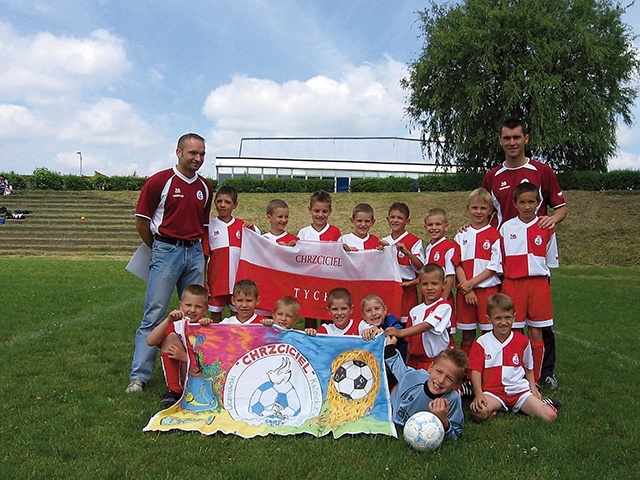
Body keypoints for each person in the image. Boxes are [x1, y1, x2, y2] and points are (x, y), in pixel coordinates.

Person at [482, 117, 567, 390]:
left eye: (517, 137)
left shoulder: (542, 170)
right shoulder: (493, 176)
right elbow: (483, 209)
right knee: (507, 316)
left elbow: (561, 207)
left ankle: (546, 372)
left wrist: (552, 221)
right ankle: (508, 368)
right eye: (507, 138)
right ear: (500, 140)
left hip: (534, 253)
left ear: (526, 139)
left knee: (541, 321)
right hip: (505, 252)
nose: (512, 142)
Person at [127, 133, 213, 394]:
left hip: (195, 252)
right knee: (154, 314)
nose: (198, 159)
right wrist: (159, 249)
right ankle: (139, 377)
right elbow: (142, 221)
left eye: (202, 154)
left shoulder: (205, 188)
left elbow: (204, 226)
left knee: (196, 314)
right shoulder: (159, 182)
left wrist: (202, 258)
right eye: (192, 153)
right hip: (166, 249)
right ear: (178, 153)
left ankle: (196, 370)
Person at [500, 182, 559, 385]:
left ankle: (538, 376)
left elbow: (550, 261)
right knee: (513, 330)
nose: (527, 206)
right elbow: (500, 259)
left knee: (536, 330)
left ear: (538, 202)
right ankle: (515, 374)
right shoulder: (506, 227)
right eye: (522, 202)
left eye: (531, 202)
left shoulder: (546, 227)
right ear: (515, 204)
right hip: (513, 284)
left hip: (538, 285)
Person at [469, 293, 559, 422]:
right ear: (489, 319)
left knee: (550, 416)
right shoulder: (482, 342)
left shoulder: (523, 341)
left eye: (507, 318)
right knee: (478, 413)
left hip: (519, 392)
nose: (503, 322)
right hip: (493, 393)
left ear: (514, 318)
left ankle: (545, 403)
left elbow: (529, 369)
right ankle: (496, 408)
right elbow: (476, 371)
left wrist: (533, 388)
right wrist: (478, 394)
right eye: (498, 318)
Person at [385, 335, 468, 441]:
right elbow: (397, 366)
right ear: (430, 367)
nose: (441, 380)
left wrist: (443, 420)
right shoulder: (415, 377)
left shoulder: (452, 400)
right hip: (393, 402)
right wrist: (390, 345)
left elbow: (455, 435)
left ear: (455, 385)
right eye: (439, 372)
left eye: (449, 379)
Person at [453, 188, 503, 359]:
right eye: (474, 208)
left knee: (489, 333)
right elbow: (457, 263)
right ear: (468, 209)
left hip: (487, 292)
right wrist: (467, 288)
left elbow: (493, 266)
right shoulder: (461, 235)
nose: (478, 212)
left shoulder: (495, 235)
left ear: (490, 210)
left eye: (483, 208)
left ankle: (486, 369)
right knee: (467, 335)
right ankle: (465, 372)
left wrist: (470, 284)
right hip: (465, 292)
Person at [146, 284, 211, 407]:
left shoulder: (207, 327)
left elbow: (213, 361)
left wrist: (185, 357)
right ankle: (174, 391)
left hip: (203, 376)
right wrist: (168, 321)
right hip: (183, 372)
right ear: (180, 305)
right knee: (170, 338)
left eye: (198, 306)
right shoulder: (177, 325)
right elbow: (150, 341)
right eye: (188, 305)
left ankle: (196, 390)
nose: (192, 310)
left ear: (205, 309)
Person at [204, 186, 258, 323]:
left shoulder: (243, 226)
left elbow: (259, 245)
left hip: (238, 281)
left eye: (227, 202)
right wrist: (204, 280)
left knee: (239, 318)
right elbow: (204, 256)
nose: (222, 205)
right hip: (217, 281)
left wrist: (253, 230)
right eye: (219, 201)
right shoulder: (209, 225)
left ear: (235, 205)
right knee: (215, 319)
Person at [385, 264, 451, 370]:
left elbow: (427, 325)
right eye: (425, 284)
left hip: (435, 362)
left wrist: (400, 332)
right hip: (414, 362)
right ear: (419, 285)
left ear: (444, 284)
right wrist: (407, 364)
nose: (430, 288)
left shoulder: (444, 307)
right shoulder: (414, 311)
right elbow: (410, 341)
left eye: (434, 283)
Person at [297, 190, 342, 329]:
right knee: (309, 317)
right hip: (309, 283)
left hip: (329, 282)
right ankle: (309, 347)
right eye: (316, 211)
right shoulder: (303, 233)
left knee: (327, 318)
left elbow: (340, 256)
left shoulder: (335, 232)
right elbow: (297, 256)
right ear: (310, 210)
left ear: (330, 211)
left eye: (324, 211)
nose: (320, 215)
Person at [381, 202, 424, 324]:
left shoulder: (415, 241)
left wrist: (407, 253)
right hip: (389, 289)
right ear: (387, 219)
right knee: (389, 323)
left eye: (400, 218)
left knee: (407, 325)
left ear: (407, 221)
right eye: (392, 217)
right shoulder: (384, 241)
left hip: (407, 290)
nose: (395, 220)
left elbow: (420, 267)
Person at [422, 207, 457, 336]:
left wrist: (443, 300)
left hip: (442, 297)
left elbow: (450, 276)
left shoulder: (449, 247)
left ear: (446, 226)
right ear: (425, 227)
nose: (434, 228)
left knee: (445, 332)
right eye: (430, 225)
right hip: (429, 297)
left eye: (438, 224)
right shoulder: (429, 247)